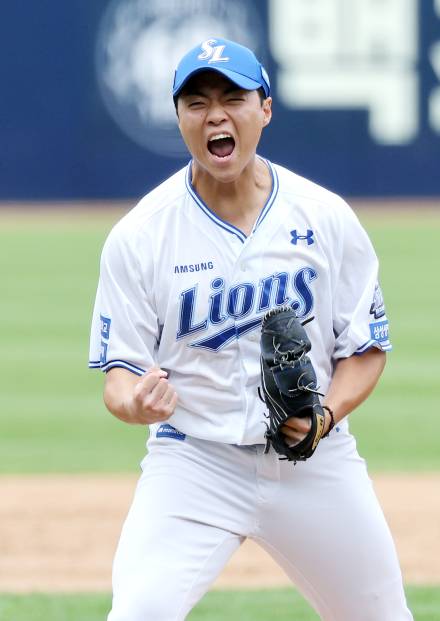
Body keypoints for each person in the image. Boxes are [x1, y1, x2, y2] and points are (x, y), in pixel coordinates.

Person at [89, 37, 413, 620]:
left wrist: (325, 415)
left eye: (232, 97)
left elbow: (365, 347)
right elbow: (119, 377)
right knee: (140, 611)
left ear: (264, 109)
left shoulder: (324, 216)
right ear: (181, 119)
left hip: (316, 462)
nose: (215, 114)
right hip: (194, 462)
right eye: (197, 102)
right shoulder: (141, 236)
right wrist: (136, 402)